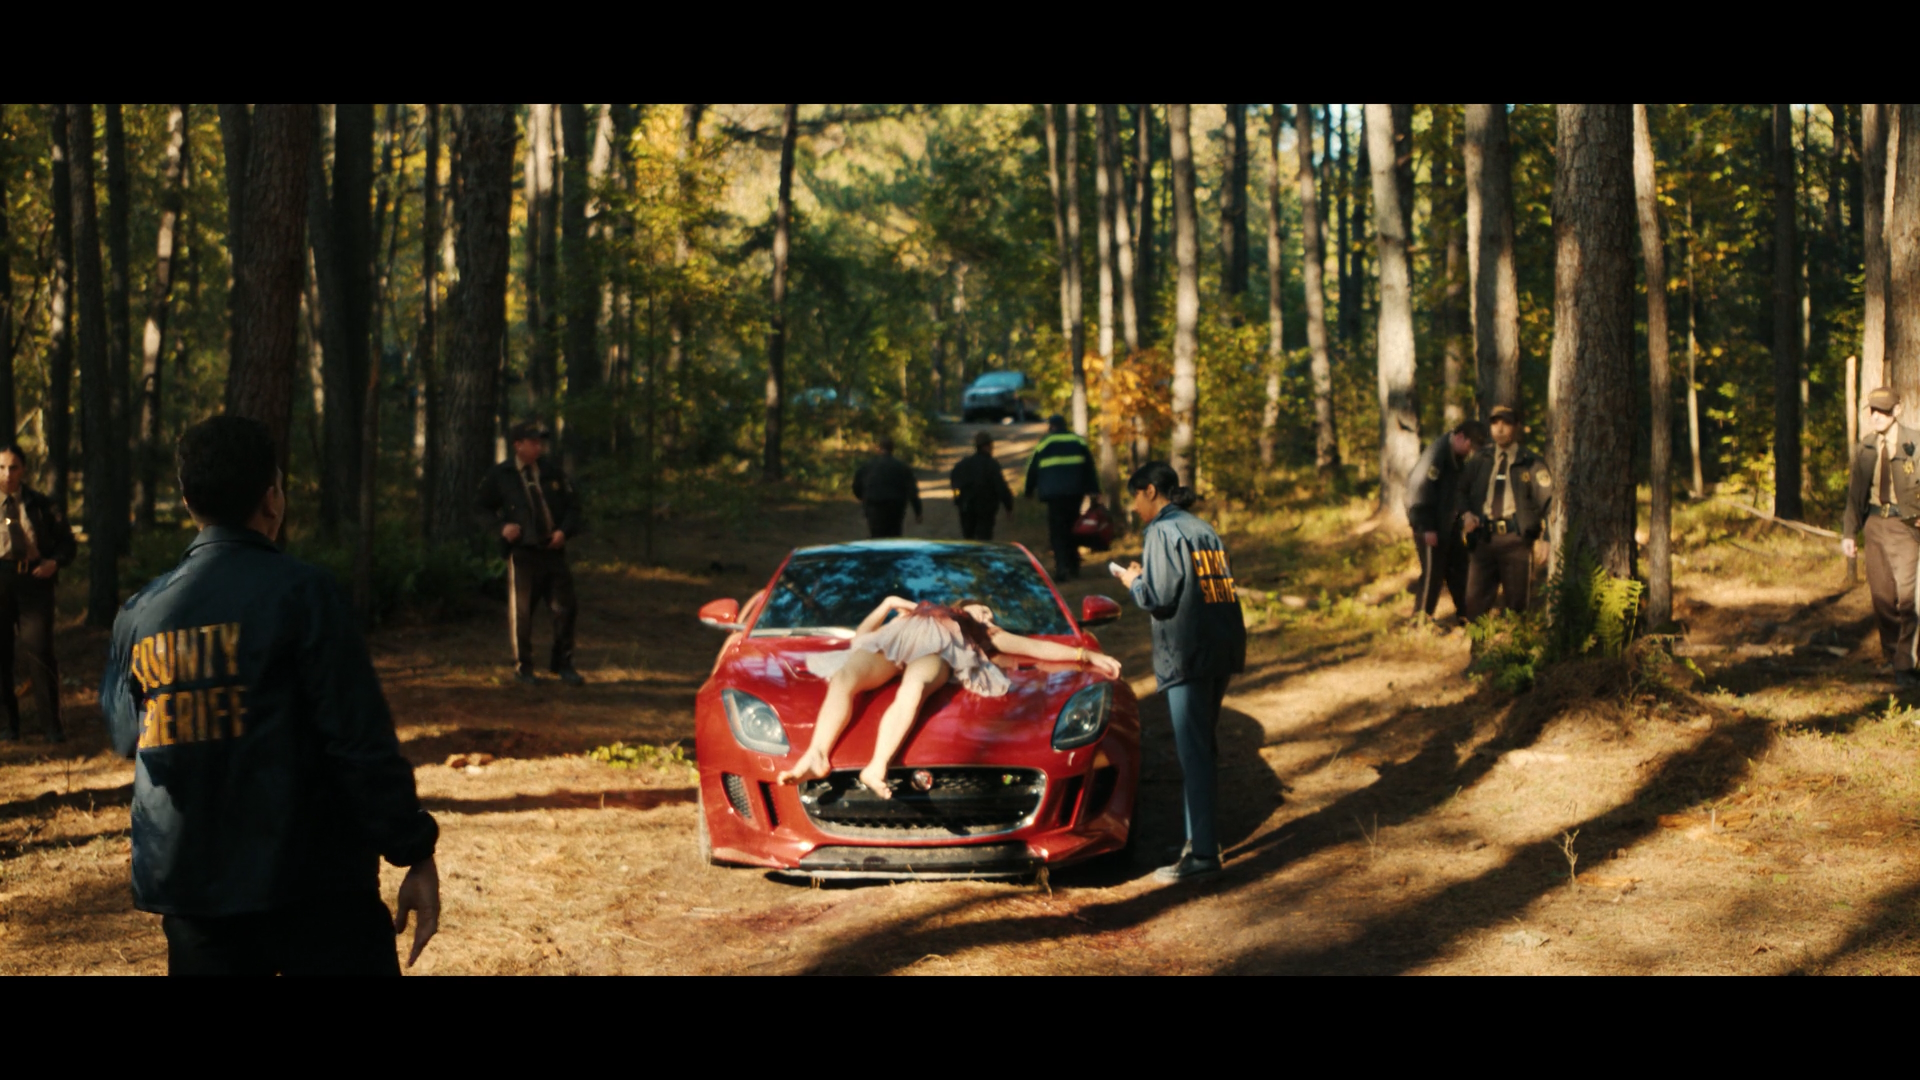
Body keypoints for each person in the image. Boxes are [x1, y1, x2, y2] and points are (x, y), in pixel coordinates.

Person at [101, 416, 440, 975]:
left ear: (187, 501)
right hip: (318, 890)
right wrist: (413, 848)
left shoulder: (138, 614)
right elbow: (359, 741)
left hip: (199, 898)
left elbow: (124, 736)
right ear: (272, 499)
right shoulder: (307, 595)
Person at [776, 596, 1121, 797]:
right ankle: (816, 754)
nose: (988, 616)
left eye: (991, 616)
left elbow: (1034, 647)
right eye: (983, 609)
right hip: (892, 644)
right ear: (963, 604)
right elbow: (861, 638)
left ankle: (876, 766)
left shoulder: (983, 632)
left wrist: (1085, 655)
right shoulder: (924, 612)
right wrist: (889, 604)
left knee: (913, 687)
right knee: (844, 677)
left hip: (936, 655)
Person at [1117, 462, 1247, 883]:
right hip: (1221, 647)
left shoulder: (1161, 531)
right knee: (1202, 748)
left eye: (1135, 497)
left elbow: (1158, 597)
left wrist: (1133, 582)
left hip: (1187, 653)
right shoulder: (1203, 528)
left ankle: (1204, 854)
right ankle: (1199, 841)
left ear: (1151, 491)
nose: (1134, 507)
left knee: (1194, 753)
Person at [477, 421, 585, 686]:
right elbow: (480, 508)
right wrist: (501, 528)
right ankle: (523, 668)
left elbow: (574, 507)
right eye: (533, 442)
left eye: (541, 442)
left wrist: (564, 532)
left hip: (553, 551)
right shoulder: (501, 475)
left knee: (565, 608)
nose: (539, 447)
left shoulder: (551, 472)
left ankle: (563, 664)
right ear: (518, 445)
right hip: (523, 553)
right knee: (522, 614)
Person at [1842, 387, 1920, 680]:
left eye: (1883, 411)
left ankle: (1906, 664)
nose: (1876, 416)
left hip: (1907, 527)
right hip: (1875, 525)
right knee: (1882, 598)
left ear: (1897, 411)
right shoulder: (1866, 448)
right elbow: (1855, 496)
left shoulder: (1915, 443)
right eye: (1873, 410)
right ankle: (1892, 655)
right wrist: (1849, 533)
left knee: (1909, 599)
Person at [0, 444, 75, 743]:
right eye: (1, 468)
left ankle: (52, 726)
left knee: (40, 651)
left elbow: (67, 543)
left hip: (33, 581)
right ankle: (7, 725)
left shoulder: (41, 505)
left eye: (13, 467)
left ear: (23, 470)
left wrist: (53, 563)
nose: (7, 474)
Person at [1457, 405, 1552, 619]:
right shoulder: (1481, 460)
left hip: (1516, 541)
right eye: (1495, 423)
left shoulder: (1530, 462)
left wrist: (1547, 538)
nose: (1499, 429)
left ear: (1517, 426)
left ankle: (1514, 641)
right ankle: (1478, 641)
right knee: (1474, 604)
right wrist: (1466, 514)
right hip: (1483, 538)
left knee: (1517, 606)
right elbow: (1460, 489)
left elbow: (1549, 503)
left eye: (1506, 423)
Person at [1405, 420, 1486, 624]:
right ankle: (1421, 621)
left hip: (1449, 525)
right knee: (1433, 574)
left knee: (1459, 569)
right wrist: (1426, 527)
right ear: (1459, 437)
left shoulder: (1456, 457)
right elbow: (1418, 492)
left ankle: (1467, 614)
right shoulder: (1436, 455)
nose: (1469, 453)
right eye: (1469, 447)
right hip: (1429, 526)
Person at [1023, 414, 1101, 579]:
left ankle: (1062, 567)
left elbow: (1032, 469)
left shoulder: (1044, 443)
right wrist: (1094, 491)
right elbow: (1089, 467)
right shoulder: (1077, 441)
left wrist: (1028, 491)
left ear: (1051, 426)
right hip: (1075, 493)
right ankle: (1074, 566)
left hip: (1054, 496)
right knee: (1073, 528)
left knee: (1058, 531)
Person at [949, 430, 1014, 540]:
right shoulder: (991, 465)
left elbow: (955, 485)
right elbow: (1001, 487)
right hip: (985, 510)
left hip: (966, 509)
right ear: (986, 446)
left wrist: (958, 500)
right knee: (984, 540)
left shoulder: (962, 465)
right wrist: (1009, 506)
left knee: (969, 539)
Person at [852, 436, 922, 538]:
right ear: (892, 449)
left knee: (877, 535)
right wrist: (918, 511)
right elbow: (912, 490)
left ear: (878, 448)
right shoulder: (902, 467)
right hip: (895, 505)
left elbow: (857, 486)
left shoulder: (867, 466)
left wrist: (864, 499)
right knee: (894, 535)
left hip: (874, 505)